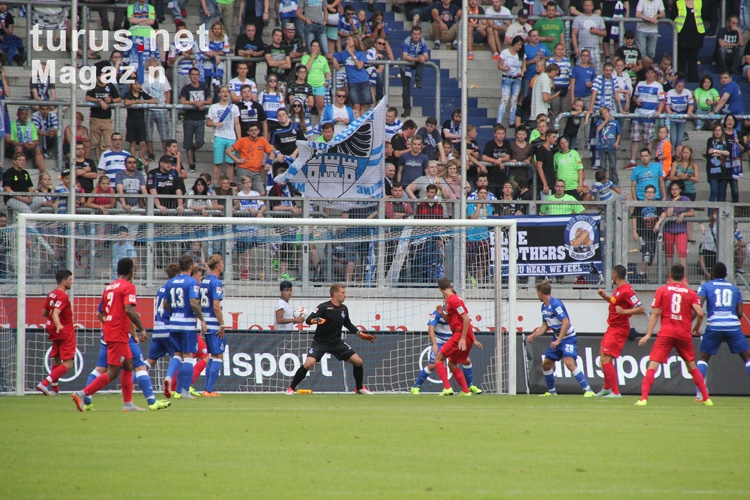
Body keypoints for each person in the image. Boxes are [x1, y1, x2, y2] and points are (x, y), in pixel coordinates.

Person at [72, 258, 150, 412]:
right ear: (131, 271)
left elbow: (100, 313)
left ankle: (128, 404)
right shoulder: (128, 287)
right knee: (113, 371)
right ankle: (82, 394)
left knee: (129, 366)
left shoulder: (109, 287)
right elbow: (128, 309)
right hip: (118, 333)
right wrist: (142, 328)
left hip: (110, 330)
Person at [636, 264, 711, 406]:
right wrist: (695, 327)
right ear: (684, 277)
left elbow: (655, 313)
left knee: (653, 365)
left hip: (667, 333)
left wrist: (648, 334)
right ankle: (706, 398)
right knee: (691, 366)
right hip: (683, 334)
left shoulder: (662, 290)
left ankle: (644, 398)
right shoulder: (690, 293)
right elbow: (700, 313)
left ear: (669, 275)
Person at [286, 283, 376, 394]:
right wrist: (316, 320)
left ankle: (359, 388)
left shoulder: (344, 308)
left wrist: (361, 335)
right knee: (308, 364)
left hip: (336, 343)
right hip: (321, 342)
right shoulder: (324, 307)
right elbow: (309, 319)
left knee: (358, 361)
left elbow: (348, 324)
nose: (345, 295)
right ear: (335, 294)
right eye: (343, 293)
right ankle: (291, 388)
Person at [527, 281, 595, 397]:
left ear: (540, 293)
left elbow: (566, 322)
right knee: (546, 364)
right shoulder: (544, 307)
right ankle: (552, 393)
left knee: (569, 362)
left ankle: (588, 390)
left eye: (537, 293)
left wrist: (558, 340)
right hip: (557, 338)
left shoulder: (556, 304)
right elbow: (545, 326)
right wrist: (534, 335)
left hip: (568, 338)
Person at [695, 262, 750, 400]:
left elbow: (698, 308)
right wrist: (729, 329)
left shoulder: (706, 287)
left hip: (714, 325)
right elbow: (739, 312)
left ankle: (700, 393)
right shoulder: (734, 288)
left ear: (712, 274)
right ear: (726, 275)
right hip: (732, 325)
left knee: (703, 358)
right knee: (747, 357)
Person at [593, 265, 643, 398]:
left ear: (614, 275)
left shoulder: (627, 290)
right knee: (602, 355)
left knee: (606, 358)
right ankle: (607, 387)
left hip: (619, 329)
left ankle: (615, 392)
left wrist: (625, 312)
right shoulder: (618, 290)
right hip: (612, 327)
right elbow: (615, 304)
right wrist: (604, 296)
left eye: (612, 275)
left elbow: (640, 308)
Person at [163, 255, 207, 399]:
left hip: (173, 323)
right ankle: (184, 390)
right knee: (188, 357)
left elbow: (165, 304)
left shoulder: (171, 282)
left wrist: (174, 313)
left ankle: (169, 377)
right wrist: (202, 320)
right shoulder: (192, 282)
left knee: (177, 355)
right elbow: (194, 303)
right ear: (191, 267)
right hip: (187, 324)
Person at [429, 277, 482, 396]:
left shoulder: (453, 300)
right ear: (450, 286)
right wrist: (442, 313)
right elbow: (454, 320)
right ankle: (466, 391)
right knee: (452, 363)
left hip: (460, 335)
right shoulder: (452, 301)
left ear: (440, 289)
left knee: (438, 359)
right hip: (464, 335)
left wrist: (462, 338)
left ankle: (447, 388)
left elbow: (466, 318)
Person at [411, 306, 482, 394]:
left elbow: (468, 327)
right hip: (439, 341)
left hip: (453, 341)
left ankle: (469, 386)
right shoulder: (437, 313)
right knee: (432, 365)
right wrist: (434, 344)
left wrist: (474, 340)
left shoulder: (458, 314)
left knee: (466, 360)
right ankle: (416, 387)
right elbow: (430, 328)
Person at [36, 270, 75, 396]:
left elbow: (45, 313)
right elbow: (55, 313)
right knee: (68, 363)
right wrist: (59, 325)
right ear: (64, 281)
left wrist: (55, 324)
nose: (71, 282)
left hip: (52, 329)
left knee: (57, 359)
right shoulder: (63, 296)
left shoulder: (51, 294)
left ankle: (55, 390)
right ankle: (44, 383)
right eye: (70, 279)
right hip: (64, 330)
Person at [199, 254, 226, 396]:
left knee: (212, 355)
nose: (223, 265)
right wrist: (222, 324)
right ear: (217, 266)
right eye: (222, 263)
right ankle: (209, 390)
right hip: (214, 324)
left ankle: (207, 389)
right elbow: (216, 306)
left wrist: (202, 320)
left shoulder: (204, 281)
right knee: (218, 356)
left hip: (206, 323)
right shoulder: (216, 283)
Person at [653, 181, 694, 269]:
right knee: (669, 253)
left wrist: (683, 214)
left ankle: (683, 276)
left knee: (682, 252)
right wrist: (674, 201)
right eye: (672, 189)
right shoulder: (667, 200)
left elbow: (692, 212)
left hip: (681, 230)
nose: (674, 191)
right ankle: (670, 276)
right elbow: (668, 214)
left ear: (680, 190)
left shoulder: (685, 199)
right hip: (669, 230)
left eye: (676, 189)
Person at [179, 68, 212, 172]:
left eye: (197, 74)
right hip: (188, 118)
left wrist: (201, 103)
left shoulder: (204, 86)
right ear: (189, 76)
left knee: (200, 141)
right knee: (188, 142)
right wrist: (195, 103)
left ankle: (193, 149)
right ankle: (192, 164)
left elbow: (209, 100)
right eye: (193, 74)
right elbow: (182, 101)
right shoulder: (186, 88)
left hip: (200, 118)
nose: (195, 76)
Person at [207, 85, 242, 182]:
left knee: (230, 163)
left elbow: (237, 124)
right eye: (223, 91)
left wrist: (239, 140)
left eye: (227, 91)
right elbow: (208, 122)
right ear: (219, 94)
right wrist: (215, 123)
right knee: (217, 163)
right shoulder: (214, 107)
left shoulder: (234, 107)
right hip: (219, 136)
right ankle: (216, 184)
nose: (225, 93)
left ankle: (230, 185)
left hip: (231, 137)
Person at [333, 36, 371, 117]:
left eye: (349, 39)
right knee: (356, 105)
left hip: (363, 80)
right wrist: (334, 59)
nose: (347, 41)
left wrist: (352, 54)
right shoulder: (343, 53)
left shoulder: (360, 53)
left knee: (362, 106)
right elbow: (330, 55)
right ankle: (356, 124)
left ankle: (362, 125)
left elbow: (360, 66)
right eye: (347, 39)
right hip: (352, 82)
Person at [5, 106, 47, 172]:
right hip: (14, 149)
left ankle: (43, 173)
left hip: (28, 148)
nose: (25, 116)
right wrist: (22, 144)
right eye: (22, 114)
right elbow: (10, 141)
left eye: (26, 114)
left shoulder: (31, 125)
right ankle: (18, 171)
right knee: (19, 148)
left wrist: (33, 144)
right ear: (17, 114)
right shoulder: (12, 125)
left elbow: (36, 140)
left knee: (38, 149)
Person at [496, 36, 526, 128]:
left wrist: (522, 72)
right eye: (518, 45)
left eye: (521, 45)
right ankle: (499, 121)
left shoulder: (522, 54)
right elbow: (499, 66)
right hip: (507, 78)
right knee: (505, 99)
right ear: (514, 43)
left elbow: (524, 67)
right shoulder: (505, 53)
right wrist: (506, 69)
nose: (519, 47)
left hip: (517, 79)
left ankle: (512, 121)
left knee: (514, 100)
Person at [672, 0, 704, 82]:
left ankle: (693, 77)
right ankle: (680, 77)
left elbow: (704, 15)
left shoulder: (699, 2)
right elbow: (673, 16)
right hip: (682, 34)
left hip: (696, 34)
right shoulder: (678, 3)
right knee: (681, 57)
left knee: (693, 58)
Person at [571, 0, 606, 71]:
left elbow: (604, 33)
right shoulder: (578, 18)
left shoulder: (598, 19)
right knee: (580, 69)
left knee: (596, 69)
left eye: (589, 5)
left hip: (595, 48)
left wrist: (597, 31)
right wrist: (575, 47)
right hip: (582, 47)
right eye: (586, 5)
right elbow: (574, 34)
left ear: (593, 7)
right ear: (583, 7)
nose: (587, 7)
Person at [706, 124, 731, 202]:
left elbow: (728, 153)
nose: (717, 132)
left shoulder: (726, 140)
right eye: (715, 130)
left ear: (722, 131)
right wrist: (722, 153)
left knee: (722, 193)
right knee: (714, 192)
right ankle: (710, 212)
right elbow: (709, 153)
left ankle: (720, 213)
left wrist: (715, 151)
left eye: (719, 130)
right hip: (713, 171)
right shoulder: (710, 140)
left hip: (724, 170)